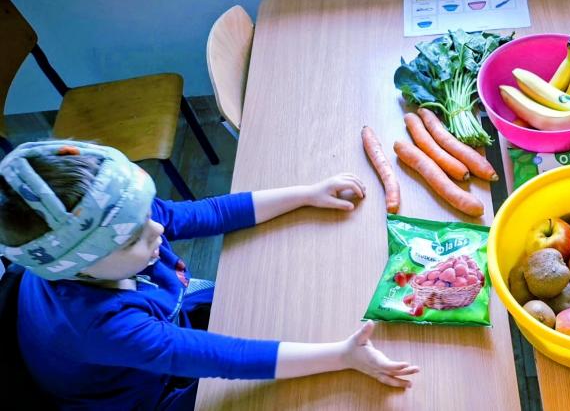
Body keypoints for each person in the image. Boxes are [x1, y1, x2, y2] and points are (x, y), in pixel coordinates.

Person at [0, 140, 419, 410]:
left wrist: (306, 194)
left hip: (159, 333)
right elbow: (227, 358)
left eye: (148, 214)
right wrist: (343, 356)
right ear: (79, 266)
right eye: (134, 239)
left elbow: (209, 212)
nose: (158, 228)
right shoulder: (101, 327)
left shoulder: (119, 225)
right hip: (142, 399)